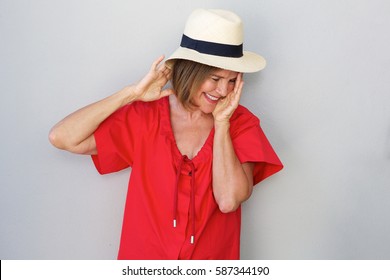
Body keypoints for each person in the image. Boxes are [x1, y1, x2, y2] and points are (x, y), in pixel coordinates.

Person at [49, 9, 283, 260]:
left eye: (232, 81)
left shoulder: (241, 124)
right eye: (215, 78)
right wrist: (131, 94)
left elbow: (228, 201)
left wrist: (222, 124)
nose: (223, 91)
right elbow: (62, 137)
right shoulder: (145, 116)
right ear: (192, 71)